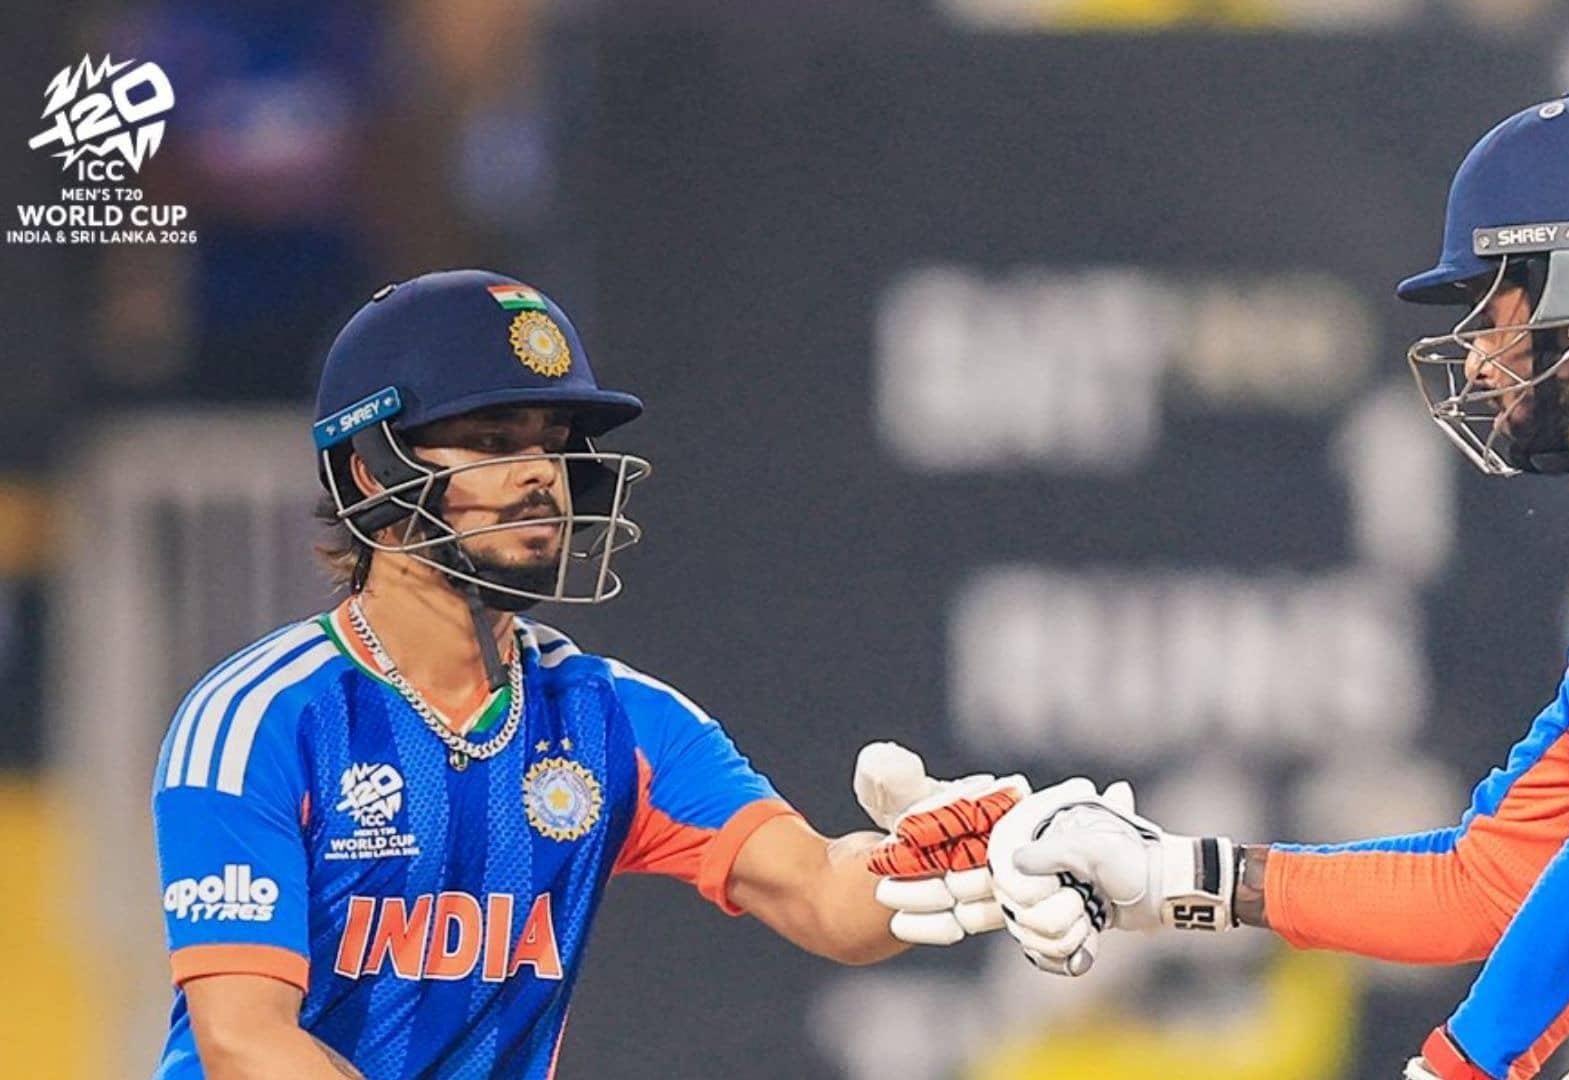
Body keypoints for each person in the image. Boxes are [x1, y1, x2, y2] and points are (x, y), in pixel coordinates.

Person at [940, 97, 1569, 1080]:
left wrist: (1463, 1067)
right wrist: (1180, 876)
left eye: (1493, 306)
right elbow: (1484, 881)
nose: (1479, 356)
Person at [149, 269, 1023, 1078]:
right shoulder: (259, 721)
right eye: (493, 440)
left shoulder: (612, 719)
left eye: (555, 443)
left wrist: (959, 852)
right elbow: (244, 1040)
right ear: (370, 469)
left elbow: (823, 894)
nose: (542, 474)